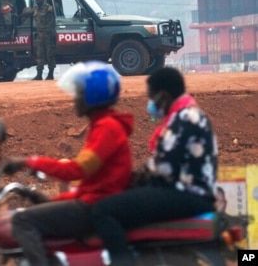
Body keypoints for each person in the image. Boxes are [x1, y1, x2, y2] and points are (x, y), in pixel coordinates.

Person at [0, 61, 133, 266]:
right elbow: (92, 183)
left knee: (22, 220)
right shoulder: (102, 125)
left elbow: (77, 169)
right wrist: (57, 200)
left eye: (79, 94)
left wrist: (28, 162)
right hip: (94, 201)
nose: (74, 101)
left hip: (96, 207)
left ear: (92, 97)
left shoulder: (107, 128)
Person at [90, 67, 217, 265]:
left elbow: (163, 167)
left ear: (164, 96)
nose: (150, 104)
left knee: (103, 211)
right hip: (186, 190)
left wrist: (130, 178)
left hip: (187, 194)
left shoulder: (185, 118)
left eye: (151, 98)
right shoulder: (187, 114)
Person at [22, 0, 56, 80]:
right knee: (39, 55)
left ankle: (50, 74)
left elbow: (51, 13)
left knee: (50, 54)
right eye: (36, 0)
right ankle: (39, 74)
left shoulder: (48, 8)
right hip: (40, 35)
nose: (37, 1)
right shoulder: (35, 9)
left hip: (48, 35)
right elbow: (26, 12)